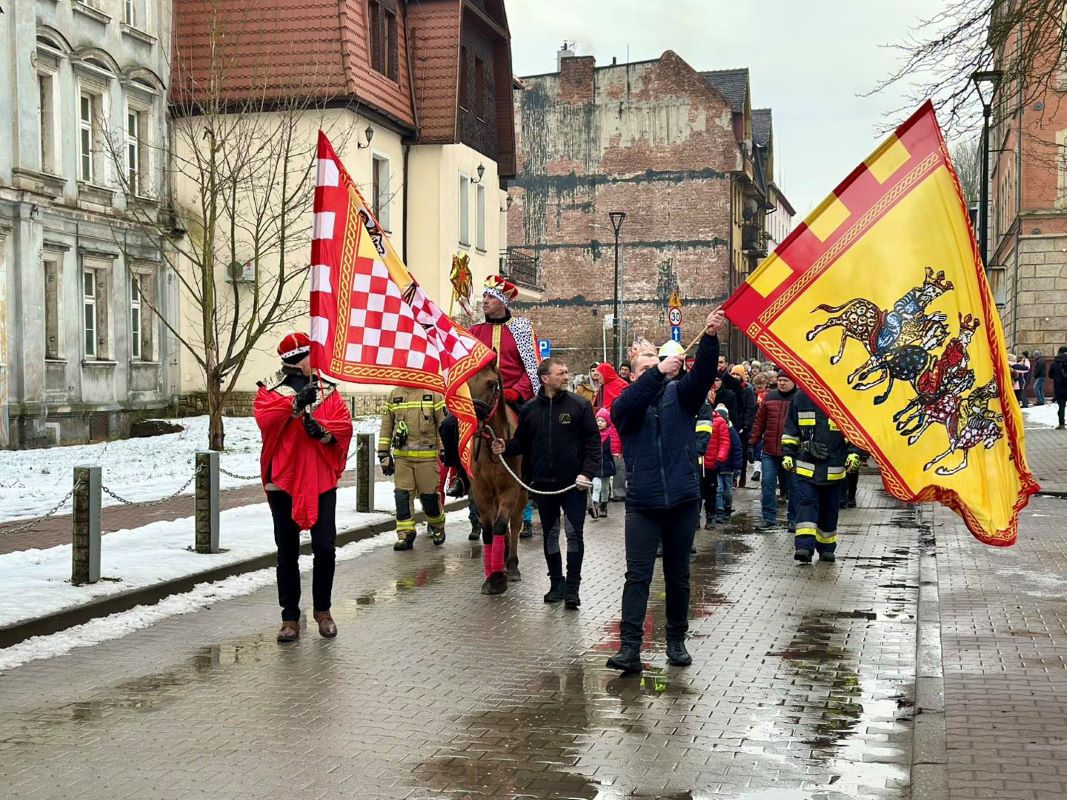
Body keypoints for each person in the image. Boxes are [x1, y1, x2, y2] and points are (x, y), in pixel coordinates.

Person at [605, 308, 726, 674]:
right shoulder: (624, 403)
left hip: (682, 500)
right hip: (643, 503)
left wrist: (708, 337)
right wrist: (656, 372)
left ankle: (676, 639)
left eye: (655, 364)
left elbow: (703, 376)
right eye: (643, 368)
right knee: (637, 575)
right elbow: (630, 403)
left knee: (677, 575)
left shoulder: (680, 396)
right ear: (633, 375)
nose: (652, 372)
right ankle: (630, 648)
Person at [254, 332, 353, 642]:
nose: (319, 360)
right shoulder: (268, 389)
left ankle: (323, 611)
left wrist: (322, 433)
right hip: (282, 480)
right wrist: (295, 405)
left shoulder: (327, 390)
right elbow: (266, 420)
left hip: (320, 479)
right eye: (314, 354)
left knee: (325, 547)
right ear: (299, 359)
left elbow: (343, 426)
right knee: (287, 552)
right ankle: (290, 618)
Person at [494, 357, 601, 609]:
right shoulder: (530, 409)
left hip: (574, 484)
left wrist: (587, 473)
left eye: (566, 372)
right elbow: (521, 443)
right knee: (551, 535)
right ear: (545, 379)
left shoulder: (580, 405)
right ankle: (556, 583)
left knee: (574, 535)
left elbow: (593, 444)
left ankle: (573, 588)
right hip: (543, 484)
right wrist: (505, 446)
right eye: (561, 373)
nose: (566, 377)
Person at [441, 275, 541, 540]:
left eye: (490, 298)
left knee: (533, 428)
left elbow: (530, 368)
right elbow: (465, 365)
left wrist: (514, 392)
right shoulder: (475, 331)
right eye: (484, 297)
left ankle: (533, 477)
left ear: (503, 302)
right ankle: (459, 475)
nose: (484, 301)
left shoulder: (521, 328)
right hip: (480, 398)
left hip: (512, 397)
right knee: (449, 425)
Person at [781, 390, 864, 564]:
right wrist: (789, 453)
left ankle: (826, 548)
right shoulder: (801, 397)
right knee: (807, 503)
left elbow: (855, 431)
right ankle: (804, 547)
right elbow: (791, 428)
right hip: (806, 467)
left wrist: (854, 453)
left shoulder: (843, 397)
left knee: (830, 508)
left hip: (833, 467)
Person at [378, 386, 447, 551]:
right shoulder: (394, 394)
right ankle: (405, 534)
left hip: (427, 459)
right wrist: (383, 454)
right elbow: (386, 427)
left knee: (430, 499)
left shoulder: (434, 394)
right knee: (402, 497)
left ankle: (437, 527)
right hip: (403, 459)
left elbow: (443, 425)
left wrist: (445, 449)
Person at [749, 370, 798, 531]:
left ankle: (794, 520)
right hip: (770, 450)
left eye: (786, 380)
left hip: (791, 452)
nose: (782, 383)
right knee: (767, 484)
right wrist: (752, 443)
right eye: (780, 380)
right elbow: (759, 422)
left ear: (794, 382)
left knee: (794, 487)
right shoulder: (770, 397)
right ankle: (769, 518)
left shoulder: (798, 398)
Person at [698, 392, 730, 529]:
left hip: (711, 464)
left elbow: (724, 442)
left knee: (711, 492)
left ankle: (711, 516)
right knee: (696, 493)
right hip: (696, 463)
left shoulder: (719, 421)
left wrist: (720, 458)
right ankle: (695, 518)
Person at [591, 408, 621, 519]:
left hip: (607, 465)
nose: (599, 423)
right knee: (596, 486)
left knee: (605, 488)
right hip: (596, 466)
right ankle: (594, 507)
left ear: (607, 422)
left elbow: (615, 445)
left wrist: (617, 452)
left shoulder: (611, 435)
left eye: (602, 421)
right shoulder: (593, 435)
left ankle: (603, 505)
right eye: (597, 420)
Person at [730, 365, 757, 488]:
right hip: (731, 423)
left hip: (742, 425)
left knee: (742, 453)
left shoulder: (748, 389)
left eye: (737, 375)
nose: (735, 377)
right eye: (733, 374)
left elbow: (750, 409)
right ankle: (733, 477)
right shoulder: (728, 387)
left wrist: (747, 425)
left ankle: (742, 476)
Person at [715, 405, 742, 520]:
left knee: (728, 490)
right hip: (717, 466)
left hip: (729, 467)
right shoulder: (714, 429)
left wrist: (737, 466)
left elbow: (737, 449)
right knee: (718, 489)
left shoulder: (732, 432)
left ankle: (727, 506)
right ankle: (719, 510)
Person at [1050, 346, 1067, 429]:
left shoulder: (1054, 363)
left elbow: (1050, 375)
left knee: (1061, 407)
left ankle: (1061, 424)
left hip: (1059, 388)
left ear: (1059, 352)